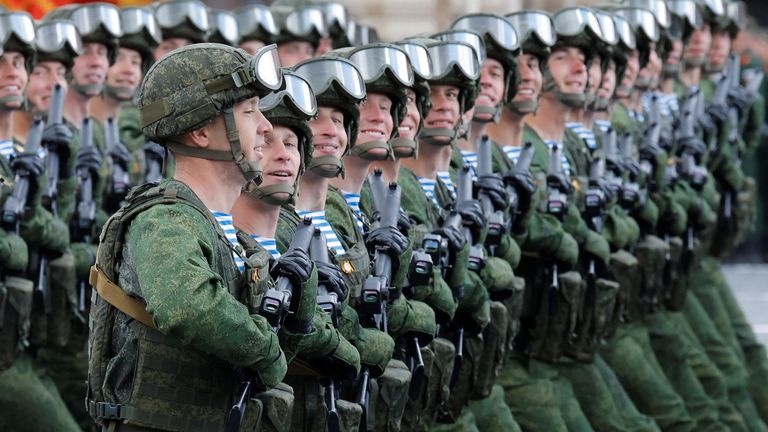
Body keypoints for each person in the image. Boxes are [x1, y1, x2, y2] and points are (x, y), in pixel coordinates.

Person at [87, 42, 289, 432]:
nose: (266, 126)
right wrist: (266, 350)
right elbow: (187, 305)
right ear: (200, 132)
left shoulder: (224, 231)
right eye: (249, 111)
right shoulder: (166, 218)